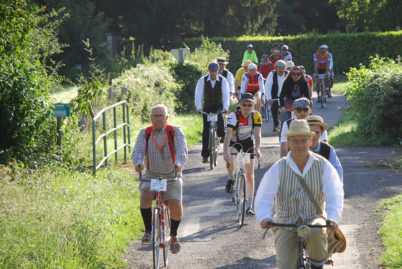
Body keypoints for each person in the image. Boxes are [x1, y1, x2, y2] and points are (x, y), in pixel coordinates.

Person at [255, 119, 344, 269]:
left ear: (310, 140)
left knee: (316, 231)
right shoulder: (278, 167)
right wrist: (264, 217)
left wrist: (333, 217)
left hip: (313, 217)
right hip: (285, 221)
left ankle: (317, 265)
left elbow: (334, 192)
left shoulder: (323, 165)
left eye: (303, 140)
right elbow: (264, 194)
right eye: (295, 141)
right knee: (285, 266)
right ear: (288, 142)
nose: (300, 145)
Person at [132, 104, 188, 254]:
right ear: (150, 118)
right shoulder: (145, 133)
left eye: (161, 115)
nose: (158, 119)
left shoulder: (174, 131)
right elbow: (138, 151)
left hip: (171, 174)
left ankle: (174, 236)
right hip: (151, 175)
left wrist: (179, 164)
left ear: (166, 117)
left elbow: (182, 150)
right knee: (145, 195)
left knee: (175, 204)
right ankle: (148, 231)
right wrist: (138, 163)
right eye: (155, 116)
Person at [223, 93, 262, 215]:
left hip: (247, 143)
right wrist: (225, 152)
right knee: (231, 158)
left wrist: (258, 148)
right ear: (240, 105)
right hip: (235, 142)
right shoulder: (233, 115)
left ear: (253, 105)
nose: (246, 107)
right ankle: (231, 179)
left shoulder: (256, 115)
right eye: (244, 105)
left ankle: (250, 205)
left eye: (249, 105)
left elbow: (257, 134)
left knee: (250, 175)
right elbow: (228, 135)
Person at [195, 62, 230, 163]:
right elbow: (198, 94)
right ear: (208, 71)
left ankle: (220, 137)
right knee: (206, 131)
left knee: (220, 124)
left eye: (215, 71)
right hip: (207, 106)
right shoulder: (203, 80)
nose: (214, 73)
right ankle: (205, 156)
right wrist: (198, 107)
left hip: (218, 106)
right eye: (212, 71)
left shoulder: (223, 80)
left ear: (218, 71)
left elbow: (226, 94)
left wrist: (226, 107)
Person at [307, 115, 343, 181]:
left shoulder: (328, 149)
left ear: (322, 132)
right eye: (310, 133)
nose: (313, 136)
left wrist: (337, 188)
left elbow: (337, 171)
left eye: (316, 132)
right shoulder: (298, 149)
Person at [264, 60, 288, 132]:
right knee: (274, 108)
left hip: (285, 97)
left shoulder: (288, 74)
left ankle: (288, 124)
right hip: (275, 97)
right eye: (279, 68)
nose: (281, 70)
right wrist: (269, 98)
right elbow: (267, 86)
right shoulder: (271, 74)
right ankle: (276, 124)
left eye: (283, 68)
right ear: (276, 68)